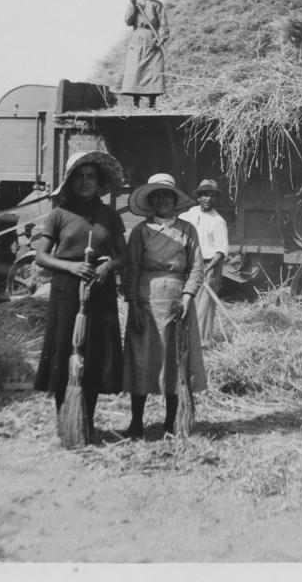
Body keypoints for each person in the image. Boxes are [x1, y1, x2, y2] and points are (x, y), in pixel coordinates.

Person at [34, 151, 127, 441]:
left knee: (95, 354)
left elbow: (123, 256)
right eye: (80, 177)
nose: (86, 182)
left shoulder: (109, 216)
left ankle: (85, 420)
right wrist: (71, 266)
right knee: (65, 352)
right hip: (66, 290)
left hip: (100, 291)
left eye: (91, 177)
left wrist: (107, 267)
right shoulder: (59, 215)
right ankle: (66, 421)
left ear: (98, 182)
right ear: (71, 181)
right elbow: (41, 257)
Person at [122, 173, 207, 438]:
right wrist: (134, 303)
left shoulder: (187, 230)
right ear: (150, 201)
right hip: (146, 304)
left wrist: (186, 296)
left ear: (174, 199)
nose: (161, 200)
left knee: (175, 362)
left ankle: (171, 422)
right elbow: (131, 269)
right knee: (141, 360)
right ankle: (136, 423)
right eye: (155, 196)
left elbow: (196, 267)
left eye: (165, 195)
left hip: (177, 304)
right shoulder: (140, 232)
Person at [179, 179, 229, 348]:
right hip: (190, 264)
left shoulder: (218, 221)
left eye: (212, 196)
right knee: (187, 302)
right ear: (199, 197)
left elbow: (221, 252)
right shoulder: (188, 215)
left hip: (210, 266)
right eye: (205, 195)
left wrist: (206, 269)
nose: (208, 198)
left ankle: (203, 343)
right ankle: (185, 339)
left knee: (204, 307)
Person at [121, 0, 170, 109]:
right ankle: (135, 104)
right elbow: (128, 21)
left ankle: (152, 103)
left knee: (154, 69)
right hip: (138, 38)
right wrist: (132, 5)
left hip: (152, 39)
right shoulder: (135, 3)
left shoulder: (157, 5)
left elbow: (163, 24)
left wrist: (162, 37)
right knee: (136, 69)